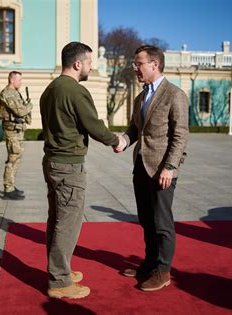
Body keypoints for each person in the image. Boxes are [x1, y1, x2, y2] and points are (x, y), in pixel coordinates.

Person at [40, 41, 125, 299]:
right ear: (77, 64)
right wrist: (116, 140)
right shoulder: (75, 91)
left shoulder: (50, 89)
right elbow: (93, 125)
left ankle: (59, 270)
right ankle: (60, 281)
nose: (90, 66)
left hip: (52, 161)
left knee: (56, 219)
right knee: (68, 223)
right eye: (89, 62)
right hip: (68, 165)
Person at [115, 45, 188, 291]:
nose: (135, 68)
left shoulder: (174, 94)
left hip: (162, 171)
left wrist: (170, 167)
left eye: (139, 63)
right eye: (135, 64)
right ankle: (148, 264)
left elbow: (180, 135)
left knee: (162, 223)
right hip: (140, 167)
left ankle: (163, 271)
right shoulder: (141, 96)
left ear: (154, 64)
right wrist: (123, 141)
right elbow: (136, 128)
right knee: (146, 220)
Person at [0, 71, 33, 200]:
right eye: (19, 80)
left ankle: (11, 185)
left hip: (17, 130)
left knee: (17, 157)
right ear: (12, 80)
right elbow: (20, 111)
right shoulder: (8, 94)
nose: (21, 82)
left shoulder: (15, 93)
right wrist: (29, 106)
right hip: (11, 131)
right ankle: (8, 188)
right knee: (13, 157)